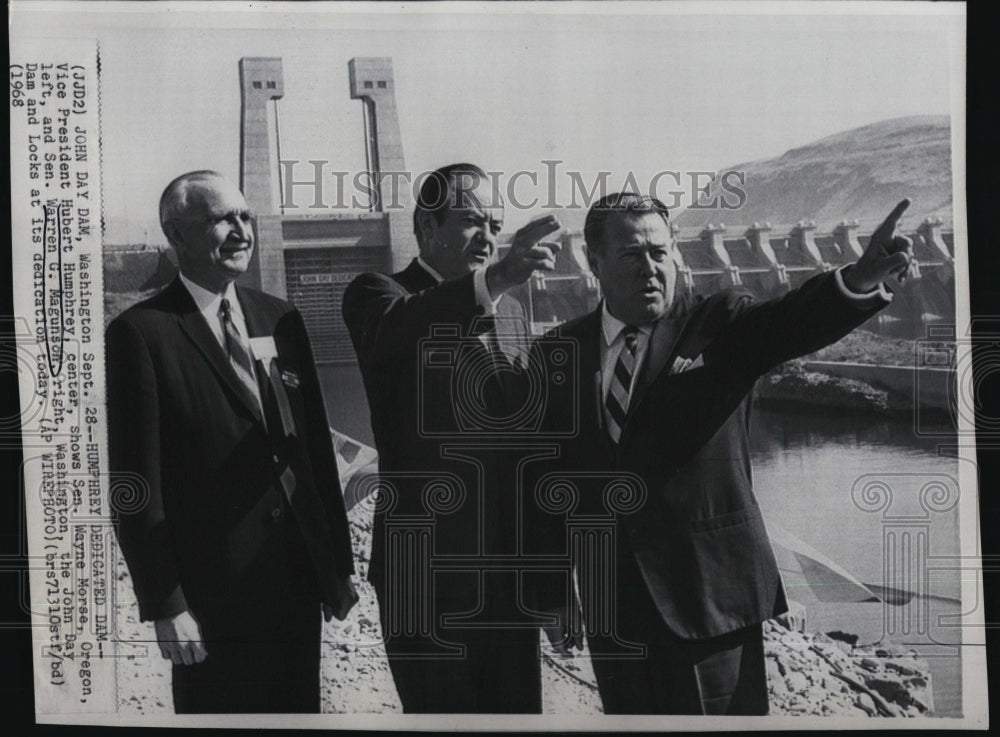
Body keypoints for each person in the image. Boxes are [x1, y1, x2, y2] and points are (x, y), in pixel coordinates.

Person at [528, 191, 913, 715]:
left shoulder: (720, 323)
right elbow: (544, 480)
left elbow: (795, 319)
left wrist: (861, 280)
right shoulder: (557, 352)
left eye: (660, 253)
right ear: (594, 262)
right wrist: (551, 592)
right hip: (612, 606)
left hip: (709, 598)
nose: (650, 268)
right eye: (631, 255)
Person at [107, 171, 358, 713]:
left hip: (295, 586)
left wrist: (337, 562)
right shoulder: (141, 333)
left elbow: (313, 449)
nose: (241, 230)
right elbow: (135, 485)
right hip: (211, 600)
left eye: (245, 217)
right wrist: (165, 603)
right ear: (176, 235)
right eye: (222, 219)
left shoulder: (280, 318)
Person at [342, 163, 567, 713]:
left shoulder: (512, 313)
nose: (488, 236)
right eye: (471, 220)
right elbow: (405, 328)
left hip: (507, 584)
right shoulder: (379, 296)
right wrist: (495, 279)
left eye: (495, 223)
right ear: (426, 227)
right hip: (427, 584)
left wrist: (552, 579)